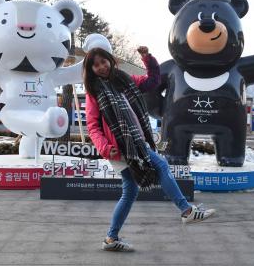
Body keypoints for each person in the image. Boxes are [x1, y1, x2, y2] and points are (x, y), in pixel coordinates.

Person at [84, 46, 215, 252]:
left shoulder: (124, 80)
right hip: (119, 147)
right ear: (91, 69)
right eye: (96, 64)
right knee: (161, 165)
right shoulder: (94, 92)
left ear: (110, 60)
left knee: (130, 192)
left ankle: (111, 238)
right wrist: (104, 147)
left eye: (103, 61)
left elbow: (152, 81)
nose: (101, 67)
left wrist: (147, 58)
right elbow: (92, 125)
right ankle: (186, 210)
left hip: (137, 142)